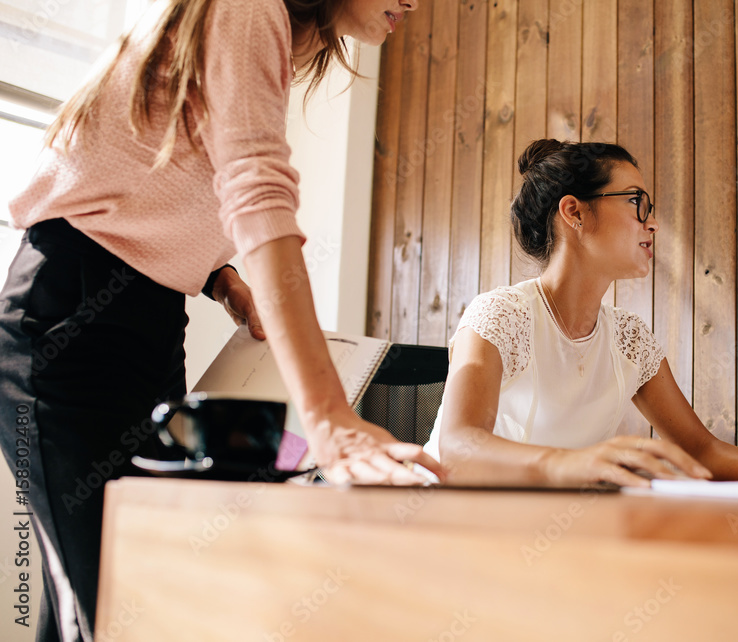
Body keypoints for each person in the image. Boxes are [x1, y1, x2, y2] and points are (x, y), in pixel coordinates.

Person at [0, 1, 442, 640]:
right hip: (68, 323)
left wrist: (219, 277)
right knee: (112, 607)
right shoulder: (247, 7)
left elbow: (158, 177)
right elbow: (257, 194)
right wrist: (327, 419)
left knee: (111, 594)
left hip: (145, 320)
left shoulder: (275, 33)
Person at [424, 139, 738, 486]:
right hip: (445, 526)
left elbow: (700, 450)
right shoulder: (499, 316)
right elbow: (459, 447)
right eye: (635, 202)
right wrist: (573, 464)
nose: (652, 223)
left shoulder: (629, 338)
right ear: (574, 212)